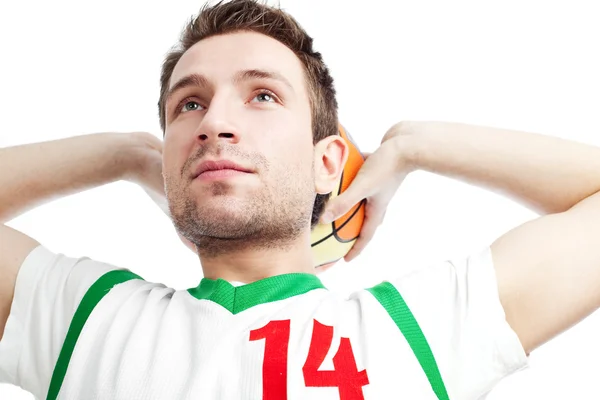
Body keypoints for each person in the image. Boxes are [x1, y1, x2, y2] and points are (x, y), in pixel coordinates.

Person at [1, 0, 600, 398]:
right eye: (190, 104)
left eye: (262, 96)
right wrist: (125, 155)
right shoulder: (86, 318)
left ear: (327, 164)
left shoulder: (418, 329)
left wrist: (418, 144)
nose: (215, 123)